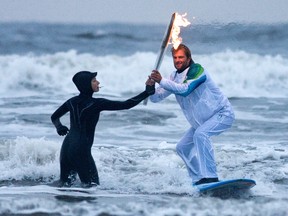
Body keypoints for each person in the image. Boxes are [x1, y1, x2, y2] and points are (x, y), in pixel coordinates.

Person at [147, 44, 235, 185]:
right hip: (201, 121)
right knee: (182, 147)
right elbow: (155, 98)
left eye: (181, 57)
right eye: (175, 57)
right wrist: (150, 86)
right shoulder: (174, 77)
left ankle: (211, 176)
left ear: (189, 58)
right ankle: (198, 179)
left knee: (201, 134)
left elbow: (185, 89)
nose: (178, 60)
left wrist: (162, 81)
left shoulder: (198, 70)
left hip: (222, 113)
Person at [51, 71, 155, 187]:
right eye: (94, 80)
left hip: (66, 148)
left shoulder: (71, 101)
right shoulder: (97, 103)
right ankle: (84, 206)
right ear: (86, 84)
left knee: (64, 185)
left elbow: (54, 117)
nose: (98, 82)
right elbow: (126, 104)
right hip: (81, 150)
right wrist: (146, 92)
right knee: (92, 187)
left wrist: (59, 127)